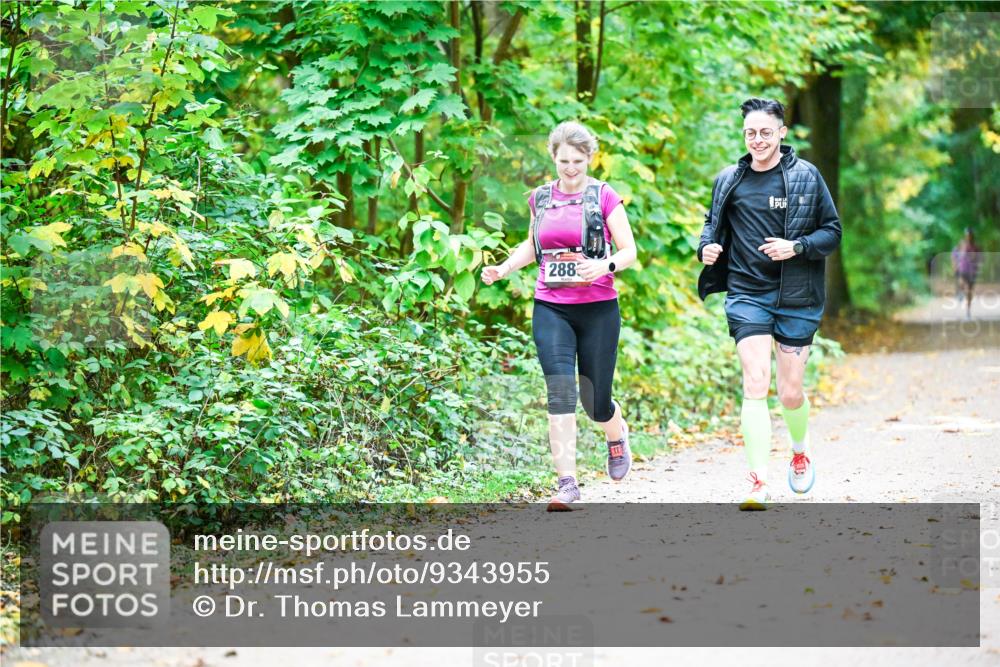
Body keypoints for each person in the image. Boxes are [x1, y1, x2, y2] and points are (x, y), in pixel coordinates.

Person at [481, 121, 638, 511]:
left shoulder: (604, 195)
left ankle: (615, 432)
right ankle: (567, 483)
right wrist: (504, 268)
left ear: (590, 159)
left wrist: (604, 268)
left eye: (577, 161)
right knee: (560, 392)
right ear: (553, 157)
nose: (570, 168)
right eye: (563, 161)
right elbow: (531, 245)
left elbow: (629, 251)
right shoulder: (541, 198)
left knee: (594, 402)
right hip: (551, 307)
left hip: (599, 309)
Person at [697, 98, 842, 510]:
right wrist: (706, 246)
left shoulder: (806, 177)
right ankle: (757, 481)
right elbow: (712, 225)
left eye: (764, 132)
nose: (757, 139)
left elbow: (832, 233)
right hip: (746, 294)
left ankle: (799, 450)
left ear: (781, 132)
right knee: (755, 382)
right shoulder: (729, 179)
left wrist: (796, 247)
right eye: (749, 132)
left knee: (790, 391)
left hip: (796, 297)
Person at [951, 228, 980, 319]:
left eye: (970, 235)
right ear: (965, 235)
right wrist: (955, 266)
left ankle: (968, 312)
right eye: (968, 235)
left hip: (972, 271)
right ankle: (960, 292)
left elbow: (980, 259)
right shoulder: (961, 245)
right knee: (961, 283)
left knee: (969, 291)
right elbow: (954, 255)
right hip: (962, 269)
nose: (969, 237)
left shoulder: (975, 247)